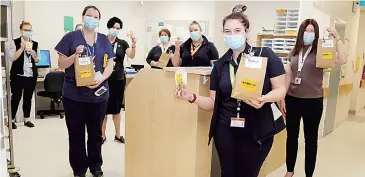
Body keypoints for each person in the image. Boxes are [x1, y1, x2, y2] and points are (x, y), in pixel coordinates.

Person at [174, 5, 286, 177]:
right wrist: (191, 97)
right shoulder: (219, 65)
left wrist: (264, 98)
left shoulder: (265, 56)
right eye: (228, 31)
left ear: (247, 31)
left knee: (248, 173)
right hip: (225, 129)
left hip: (256, 130)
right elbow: (213, 102)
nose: (232, 35)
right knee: (227, 173)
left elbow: (281, 90)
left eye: (237, 30)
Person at [281, 19, 347, 177]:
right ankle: (290, 171)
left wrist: (337, 38)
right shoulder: (294, 51)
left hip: (313, 101)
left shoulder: (321, 51)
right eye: (306, 30)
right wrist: (282, 98)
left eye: (312, 31)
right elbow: (288, 75)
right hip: (292, 99)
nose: (308, 34)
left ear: (316, 34)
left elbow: (343, 59)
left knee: (311, 140)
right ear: (300, 32)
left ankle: (308, 173)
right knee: (291, 137)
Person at [55, 5, 115, 177]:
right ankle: (79, 169)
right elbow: (61, 64)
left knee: (96, 133)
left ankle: (96, 166)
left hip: (98, 95)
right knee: (76, 134)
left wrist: (102, 78)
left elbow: (110, 63)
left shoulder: (103, 39)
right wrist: (74, 55)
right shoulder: (71, 37)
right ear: (82, 17)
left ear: (99, 20)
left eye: (95, 16)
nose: (92, 19)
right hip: (74, 95)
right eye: (89, 15)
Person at [102, 16, 137, 144]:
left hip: (118, 79)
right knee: (103, 109)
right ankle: (102, 135)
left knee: (117, 109)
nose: (115, 30)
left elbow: (131, 55)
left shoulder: (122, 43)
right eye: (113, 27)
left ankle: (117, 135)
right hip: (103, 79)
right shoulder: (101, 41)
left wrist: (133, 45)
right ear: (109, 27)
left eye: (118, 28)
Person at [7, 21, 40, 129]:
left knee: (28, 98)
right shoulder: (14, 42)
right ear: (21, 31)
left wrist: (34, 55)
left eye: (29, 30)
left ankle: (26, 119)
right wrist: (21, 48)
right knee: (16, 97)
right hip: (17, 75)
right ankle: (11, 120)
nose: (27, 32)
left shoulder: (35, 44)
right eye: (25, 30)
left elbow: (38, 60)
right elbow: (12, 57)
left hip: (30, 75)